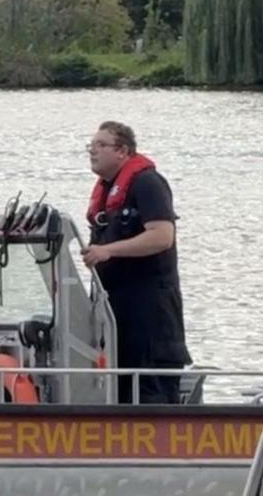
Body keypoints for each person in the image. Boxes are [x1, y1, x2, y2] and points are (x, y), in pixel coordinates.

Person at [81, 121, 190, 404]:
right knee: (120, 394)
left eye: (100, 145)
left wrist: (109, 250)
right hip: (118, 320)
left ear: (123, 151)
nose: (92, 151)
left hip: (151, 319)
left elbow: (162, 236)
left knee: (152, 394)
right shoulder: (107, 193)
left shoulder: (147, 183)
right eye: (90, 146)